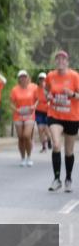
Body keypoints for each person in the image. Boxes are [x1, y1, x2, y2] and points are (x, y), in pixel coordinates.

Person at [44, 50, 79, 193]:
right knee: (56, 144)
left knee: (69, 151)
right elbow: (46, 91)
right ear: (55, 62)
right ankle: (56, 179)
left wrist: (73, 94)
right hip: (55, 115)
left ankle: (68, 178)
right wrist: (48, 96)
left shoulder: (75, 76)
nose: (60, 61)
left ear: (67, 62)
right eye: (58, 59)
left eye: (63, 59)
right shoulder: (50, 76)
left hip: (72, 117)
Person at [10, 70, 40, 167]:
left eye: (24, 76)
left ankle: (29, 157)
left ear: (27, 78)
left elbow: (38, 99)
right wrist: (16, 110)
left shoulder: (33, 87)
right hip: (18, 115)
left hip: (29, 115)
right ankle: (23, 158)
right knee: (20, 137)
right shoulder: (15, 89)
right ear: (18, 79)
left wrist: (34, 106)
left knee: (26, 135)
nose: (23, 78)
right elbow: (11, 103)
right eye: (21, 77)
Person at [35, 72, 51, 152]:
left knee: (46, 129)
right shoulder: (36, 89)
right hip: (39, 111)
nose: (42, 81)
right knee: (40, 129)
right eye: (40, 79)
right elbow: (34, 99)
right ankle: (44, 146)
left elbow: (51, 98)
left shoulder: (49, 89)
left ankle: (49, 139)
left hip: (48, 111)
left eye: (43, 79)